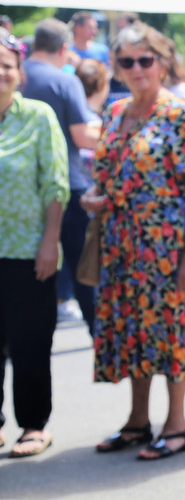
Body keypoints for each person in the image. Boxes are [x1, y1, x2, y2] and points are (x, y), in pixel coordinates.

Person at [82, 23, 185, 460]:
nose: (136, 68)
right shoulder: (115, 111)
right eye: (127, 61)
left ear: (162, 62)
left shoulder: (179, 115)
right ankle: (138, 421)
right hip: (120, 244)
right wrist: (92, 197)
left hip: (166, 248)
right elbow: (105, 174)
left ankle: (176, 425)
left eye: (145, 59)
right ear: (116, 67)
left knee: (170, 329)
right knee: (134, 330)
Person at [0, 33, 70, 457]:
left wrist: (50, 241)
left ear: (19, 72)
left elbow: (56, 183)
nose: (0, 73)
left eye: (6, 65)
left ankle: (33, 425)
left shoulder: (38, 116)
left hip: (29, 251)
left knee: (30, 342)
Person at [22, 18, 101, 334]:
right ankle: (99, 338)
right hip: (67, 184)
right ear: (64, 48)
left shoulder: (16, 75)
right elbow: (82, 136)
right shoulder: (65, 81)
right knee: (83, 271)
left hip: (22, 189)